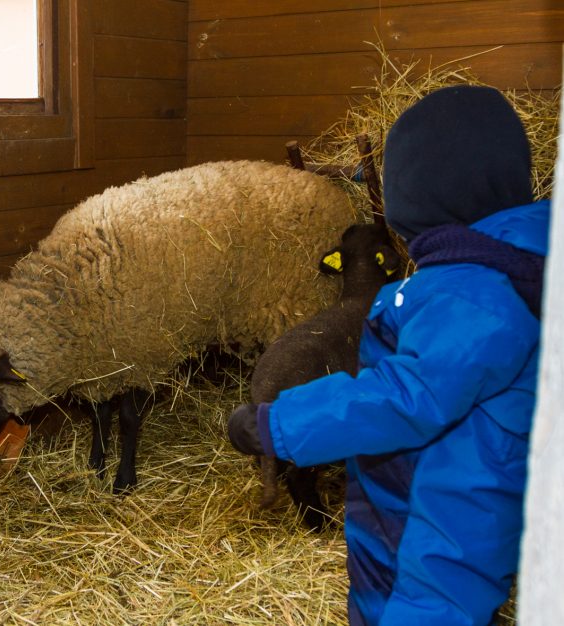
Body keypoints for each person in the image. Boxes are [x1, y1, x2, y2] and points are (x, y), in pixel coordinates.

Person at [227, 84, 549, 625]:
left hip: (436, 521)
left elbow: (405, 397)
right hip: (460, 499)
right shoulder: (515, 266)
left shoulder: (470, 293)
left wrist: (277, 424)